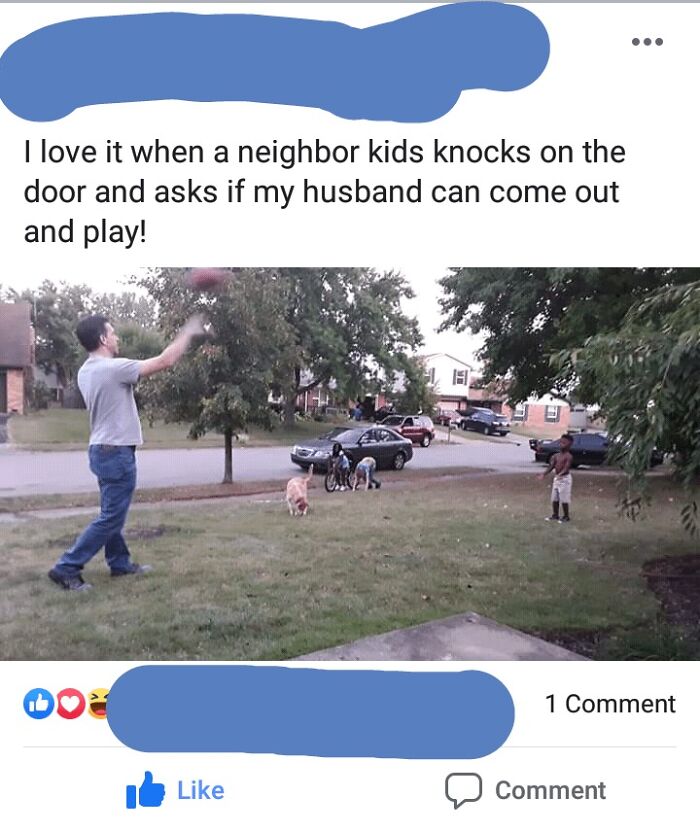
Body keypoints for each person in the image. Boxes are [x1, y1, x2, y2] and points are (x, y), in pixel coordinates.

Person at [48, 313, 207, 591]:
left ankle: (119, 564)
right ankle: (66, 567)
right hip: (115, 453)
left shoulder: (87, 370)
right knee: (111, 517)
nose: (117, 336)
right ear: (102, 339)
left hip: (102, 449)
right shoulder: (110, 368)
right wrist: (189, 332)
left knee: (112, 512)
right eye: (113, 332)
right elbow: (165, 361)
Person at [538, 434, 574, 522]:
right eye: (561, 442)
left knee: (564, 498)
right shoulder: (556, 456)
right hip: (557, 478)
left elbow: (566, 467)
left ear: (569, 444)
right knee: (555, 498)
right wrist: (544, 474)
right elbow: (551, 467)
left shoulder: (569, 456)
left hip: (565, 479)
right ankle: (555, 515)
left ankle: (566, 516)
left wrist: (560, 474)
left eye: (564, 443)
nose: (561, 444)